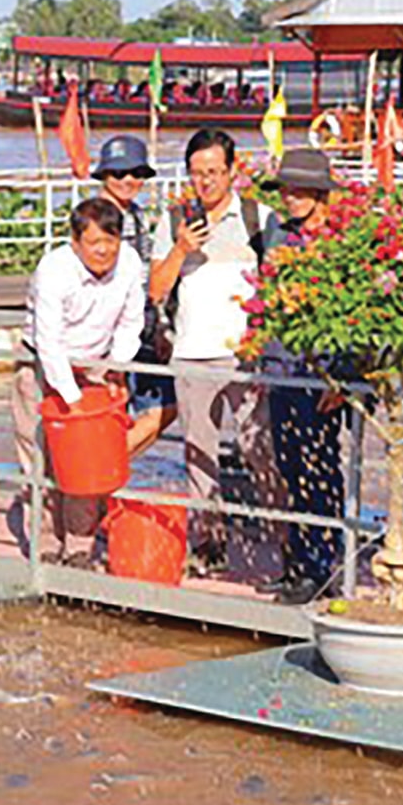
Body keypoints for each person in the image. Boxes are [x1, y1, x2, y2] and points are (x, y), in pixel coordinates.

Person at [150, 127, 281, 577]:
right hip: (191, 355)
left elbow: (279, 286)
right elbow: (156, 289)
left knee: (259, 449)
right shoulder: (172, 221)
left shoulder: (258, 219)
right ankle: (208, 545)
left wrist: (262, 342)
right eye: (196, 173)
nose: (205, 182)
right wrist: (181, 250)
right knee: (198, 455)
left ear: (232, 172)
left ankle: (282, 540)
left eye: (213, 172)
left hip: (245, 357)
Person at [12, 197, 145, 565]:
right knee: (39, 455)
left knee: (88, 457)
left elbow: (132, 320)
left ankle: (79, 546)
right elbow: (49, 341)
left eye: (111, 241)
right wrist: (70, 397)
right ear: (75, 242)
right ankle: (45, 542)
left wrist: (116, 367)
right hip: (42, 361)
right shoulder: (54, 270)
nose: (103, 251)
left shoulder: (130, 263)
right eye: (94, 243)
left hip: (97, 361)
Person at [257, 150, 350, 605]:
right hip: (281, 367)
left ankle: (323, 566)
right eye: (286, 190)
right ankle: (298, 562)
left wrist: (342, 377)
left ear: (319, 192)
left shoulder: (339, 243)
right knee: (291, 467)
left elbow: (357, 318)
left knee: (320, 469)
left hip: (320, 375)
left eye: (299, 190)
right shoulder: (280, 234)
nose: (291, 198)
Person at [89, 135, 178, 454]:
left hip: (142, 324)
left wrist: (159, 326)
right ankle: (91, 480)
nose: (129, 180)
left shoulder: (137, 214)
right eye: (119, 173)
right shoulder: (92, 218)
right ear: (104, 176)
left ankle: (100, 475)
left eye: (137, 174)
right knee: (115, 411)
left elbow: (145, 275)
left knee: (163, 409)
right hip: (111, 330)